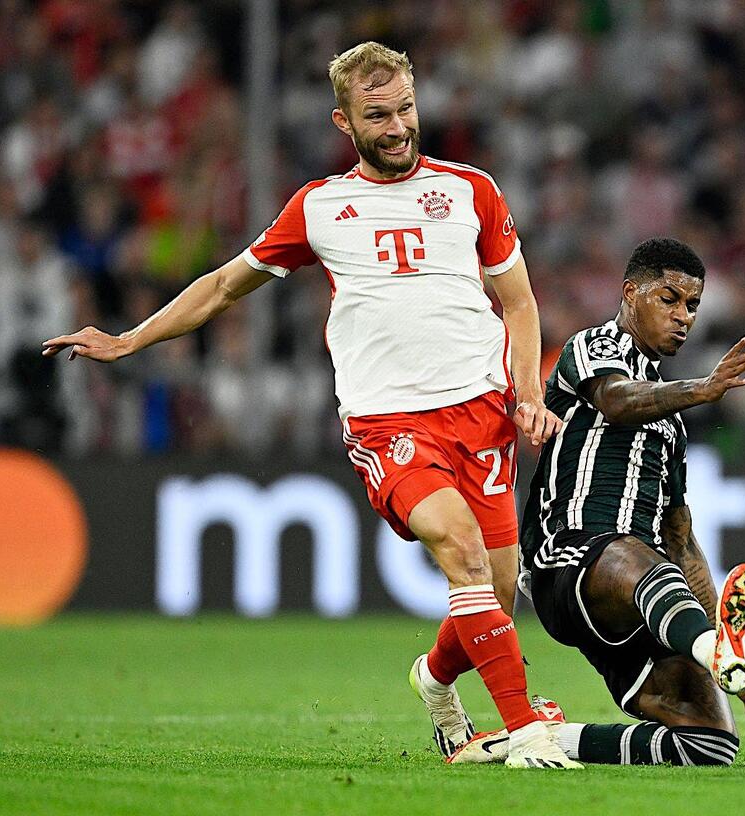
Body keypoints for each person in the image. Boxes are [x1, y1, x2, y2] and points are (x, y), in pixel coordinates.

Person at [42, 41, 579, 770]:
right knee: (461, 551)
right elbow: (223, 286)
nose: (397, 127)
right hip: (388, 421)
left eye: (406, 110)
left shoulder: (471, 191)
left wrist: (527, 395)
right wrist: (130, 339)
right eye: (377, 116)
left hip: (481, 413)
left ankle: (435, 680)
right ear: (343, 122)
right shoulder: (320, 207)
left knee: (495, 589)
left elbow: (518, 303)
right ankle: (525, 733)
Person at [452, 237, 745, 767]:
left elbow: (681, 542)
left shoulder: (672, 425)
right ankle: (713, 650)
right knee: (635, 555)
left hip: (636, 593)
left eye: (693, 305)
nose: (683, 316)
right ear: (630, 293)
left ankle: (542, 736)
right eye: (669, 299)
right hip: (568, 562)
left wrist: (720, 648)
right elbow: (617, 402)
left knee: (709, 743)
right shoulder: (593, 347)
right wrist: (702, 388)